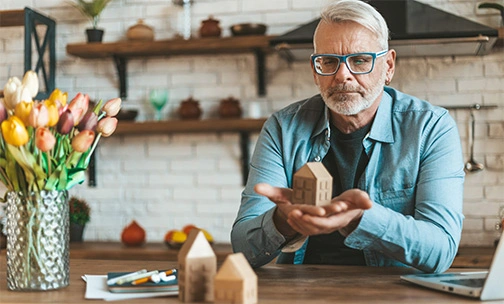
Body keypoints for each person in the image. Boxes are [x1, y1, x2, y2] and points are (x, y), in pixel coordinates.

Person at [230, 0, 464, 273]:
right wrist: (282, 219)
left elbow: (441, 250)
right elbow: (241, 249)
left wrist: (360, 219)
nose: (342, 75)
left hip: (395, 294)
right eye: (328, 61)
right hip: (301, 292)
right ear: (315, 71)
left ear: (388, 66)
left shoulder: (431, 127)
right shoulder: (282, 128)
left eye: (360, 60)